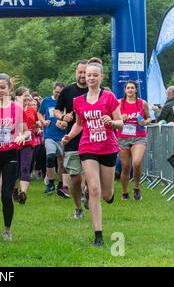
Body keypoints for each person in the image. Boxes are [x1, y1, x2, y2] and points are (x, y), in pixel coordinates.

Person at [62, 61, 123, 246]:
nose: (90, 78)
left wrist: (112, 123)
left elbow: (120, 122)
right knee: (94, 189)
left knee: (106, 194)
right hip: (88, 147)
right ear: (84, 76)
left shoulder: (109, 97)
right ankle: (98, 235)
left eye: (95, 75)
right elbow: (79, 124)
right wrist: (69, 136)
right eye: (88, 75)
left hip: (108, 147)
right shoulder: (78, 101)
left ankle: (108, 193)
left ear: (101, 77)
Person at [0, 73, 30, 241]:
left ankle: (7, 230)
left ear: (10, 89)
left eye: (3, 88)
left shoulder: (17, 108)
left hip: (10, 155)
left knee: (7, 195)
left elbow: (26, 130)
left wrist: (23, 136)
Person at [54, 60, 89, 219]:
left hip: (92, 138)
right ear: (76, 72)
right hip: (72, 138)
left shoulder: (97, 91)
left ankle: (88, 190)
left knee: (91, 174)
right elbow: (56, 110)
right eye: (80, 72)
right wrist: (63, 116)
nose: (82, 75)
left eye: (85, 72)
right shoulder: (67, 91)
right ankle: (78, 207)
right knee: (74, 178)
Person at [117, 81, 151, 201]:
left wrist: (145, 122)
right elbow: (113, 119)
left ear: (136, 90)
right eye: (128, 88)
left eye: (132, 88)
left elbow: (149, 118)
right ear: (125, 90)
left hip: (139, 136)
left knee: (136, 163)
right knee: (125, 167)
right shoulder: (119, 103)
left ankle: (136, 188)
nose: (130, 90)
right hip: (123, 137)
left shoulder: (142, 103)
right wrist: (121, 118)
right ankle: (125, 192)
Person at [38, 82, 70, 198]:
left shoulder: (66, 102)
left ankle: (61, 184)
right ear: (53, 90)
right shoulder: (46, 101)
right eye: (56, 92)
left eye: (60, 93)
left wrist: (63, 123)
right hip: (49, 135)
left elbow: (69, 118)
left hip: (62, 136)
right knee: (50, 156)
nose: (58, 94)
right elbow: (40, 113)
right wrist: (43, 121)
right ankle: (50, 182)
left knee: (62, 162)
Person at [14, 87, 39, 204]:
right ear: (18, 97)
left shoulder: (32, 110)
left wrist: (42, 125)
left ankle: (23, 193)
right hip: (13, 143)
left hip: (28, 143)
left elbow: (37, 122)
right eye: (25, 95)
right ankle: (14, 190)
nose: (28, 97)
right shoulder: (11, 109)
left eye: (29, 95)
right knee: (14, 169)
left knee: (25, 167)